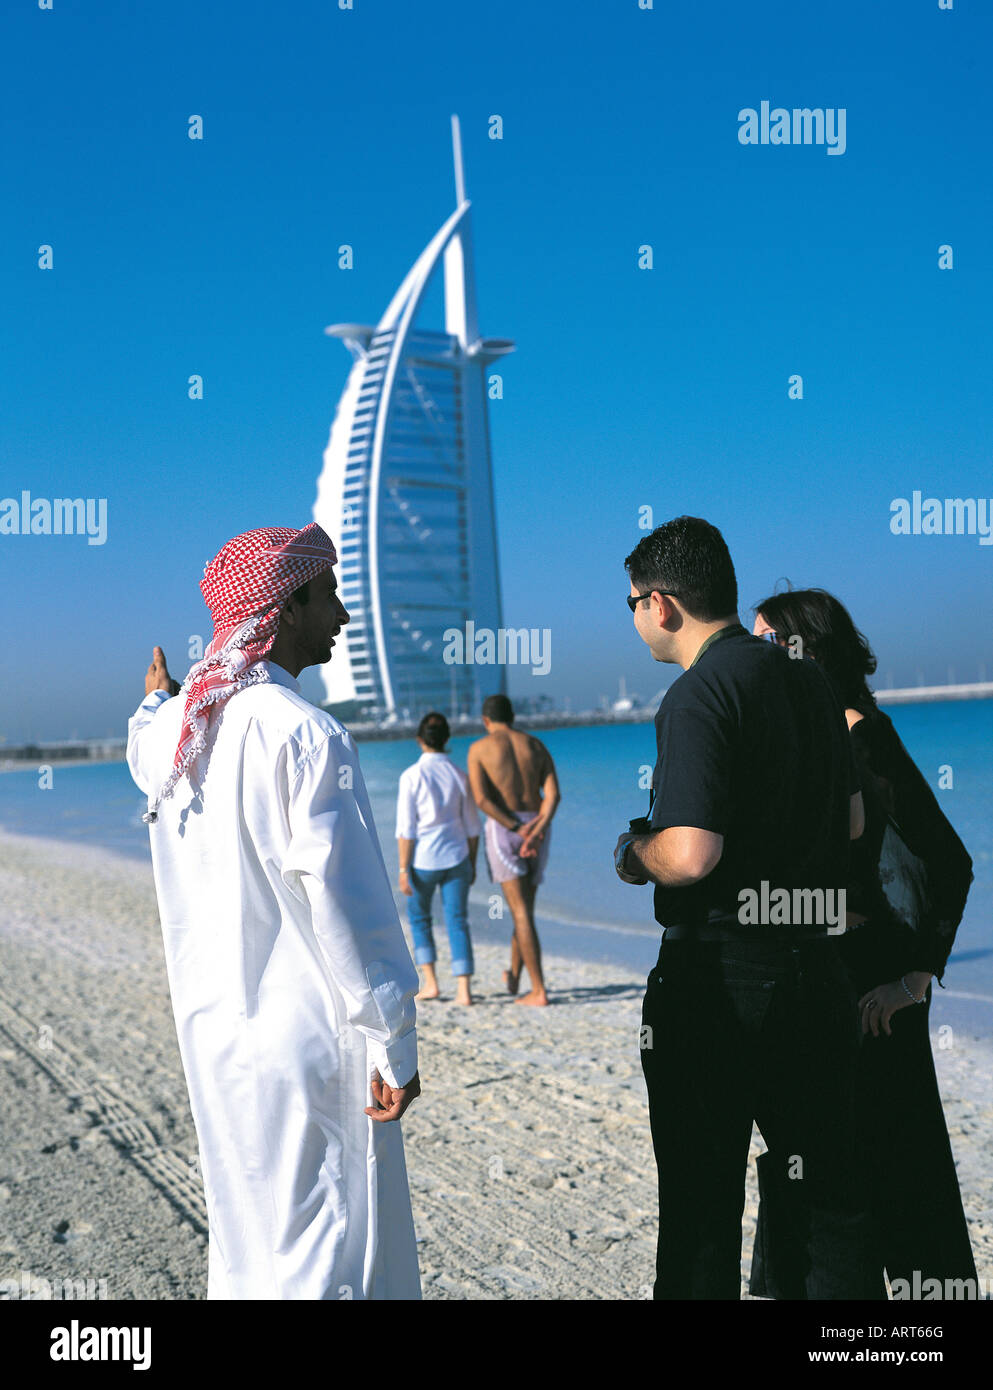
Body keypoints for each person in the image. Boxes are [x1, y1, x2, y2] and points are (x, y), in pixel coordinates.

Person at [126, 523, 421, 1301]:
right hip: (310, 1044)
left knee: (249, 1247)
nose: (344, 617)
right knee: (325, 1256)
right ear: (285, 607)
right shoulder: (306, 734)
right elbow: (350, 914)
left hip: (217, 1042)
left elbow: (144, 741)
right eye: (328, 595)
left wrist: (159, 695)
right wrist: (395, 1040)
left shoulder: (180, 733)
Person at [615, 516, 880, 1300]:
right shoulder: (808, 681)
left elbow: (691, 852)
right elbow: (857, 824)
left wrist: (634, 854)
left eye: (630, 603)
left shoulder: (698, 694)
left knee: (701, 1209)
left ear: (660, 604)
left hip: (720, 982)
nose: (633, 619)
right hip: (816, 972)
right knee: (827, 1203)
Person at [750, 588, 977, 1299]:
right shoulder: (816, 732)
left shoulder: (860, 733)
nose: (751, 656)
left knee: (900, 1174)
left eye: (766, 643)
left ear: (804, 651)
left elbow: (949, 860)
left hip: (878, 990)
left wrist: (914, 979)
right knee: (829, 1169)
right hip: (830, 980)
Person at [467, 694, 560, 1006]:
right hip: (538, 827)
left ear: (485, 720)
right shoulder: (535, 745)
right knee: (526, 913)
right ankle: (517, 976)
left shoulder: (479, 749)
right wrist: (537, 827)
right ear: (513, 716)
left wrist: (517, 829)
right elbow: (553, 795)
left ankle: (539, 990)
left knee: (520, 913)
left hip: (506, 829)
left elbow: (482, 801)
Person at [396, 711, 481, 1006]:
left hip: (423, 861)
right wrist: (472, 862)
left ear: (419, 740)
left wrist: (403, 869)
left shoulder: (411, 776)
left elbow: (406, 830)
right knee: (458, 921)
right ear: (447, 740)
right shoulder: (460, 776)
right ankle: (464, 990)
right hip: (457, 857)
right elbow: (472, 826)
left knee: (420, 919)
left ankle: (431, 983)